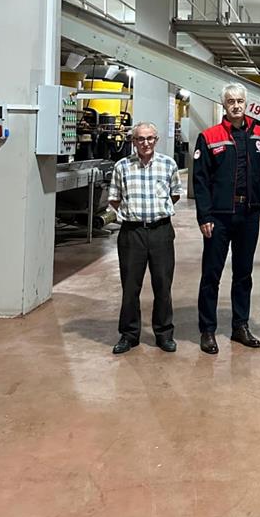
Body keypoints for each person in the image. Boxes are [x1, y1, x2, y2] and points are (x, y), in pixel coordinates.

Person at [192, 83, 260, 354]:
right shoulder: (209, 136)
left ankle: (240, 325)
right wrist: (204, 215)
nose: (236, 105)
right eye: (231, 101)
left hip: (248, 215)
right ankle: (207, 329)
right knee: (211, 274)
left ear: (246, 104)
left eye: (240, 101)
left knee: (243, 273)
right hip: (219, 217)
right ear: (224, 105)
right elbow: (200, 180)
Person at [108, 121, 181, 355]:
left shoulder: (168, 164)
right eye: (140, 138)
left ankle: (164, 334)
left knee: (163, 284)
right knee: (130, 286)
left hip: (161, 231)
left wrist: (156, 213)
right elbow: (115, 198)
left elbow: (174, 194)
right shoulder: (122, 167)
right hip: (132, 233)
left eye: (150, 138)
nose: (145, 143)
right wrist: (134, 214)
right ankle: (129, 335)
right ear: (133, 141)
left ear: (156, 140)